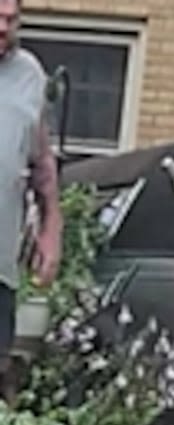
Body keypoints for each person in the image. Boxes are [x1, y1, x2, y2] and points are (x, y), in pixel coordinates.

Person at [0, 0, 63, 398]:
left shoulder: (29, 74)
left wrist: (51, 228)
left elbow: (41, 159)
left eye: (10, 18)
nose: (3, 27)